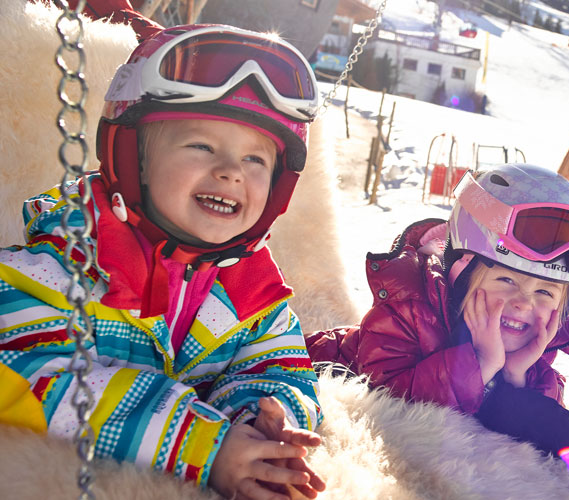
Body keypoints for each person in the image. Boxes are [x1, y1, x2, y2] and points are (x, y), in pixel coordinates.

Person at [0, 16, 327, 500]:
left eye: (256, 159)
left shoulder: (252, 294)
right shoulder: (56, 268)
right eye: (201, 145)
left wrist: (262, 422)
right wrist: (200, 443)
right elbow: (26, 373)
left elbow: (279, 367)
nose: (231, 172)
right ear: (135, 160)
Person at [307, 164, 569, 459]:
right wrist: (482, 363)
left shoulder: (532, 339)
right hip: (305, 362)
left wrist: (516, 374)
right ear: (460, 274)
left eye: (545, 292)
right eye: (506, 279)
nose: (524, 303)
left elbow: (538, 414)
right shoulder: (407, 310)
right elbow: (387, 397)